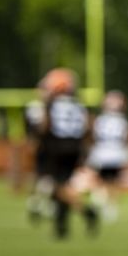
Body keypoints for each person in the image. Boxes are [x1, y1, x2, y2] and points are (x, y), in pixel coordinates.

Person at [33, 68, 100, 239]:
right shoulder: (78, 103)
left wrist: (39, 138)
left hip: (57, 147)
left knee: (56, 186)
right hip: (75, 148)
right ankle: (61, 226)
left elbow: (45, 126)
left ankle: (87, 212)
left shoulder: (51, 104)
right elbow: (88, 127)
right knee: (63, 186)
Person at [86, 90, 128, 222]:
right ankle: (111, 206)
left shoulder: (100, 120)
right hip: (116, 151)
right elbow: (125, 138)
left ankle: (100, 198)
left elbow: (94, 136)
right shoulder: (122, 121)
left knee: (101, 178)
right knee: (114, 181)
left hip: (102, 150)